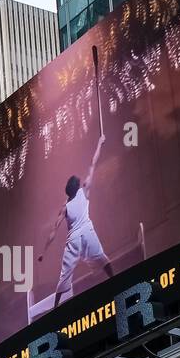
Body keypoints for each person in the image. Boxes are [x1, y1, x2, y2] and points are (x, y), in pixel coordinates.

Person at [30, 133, 114, 323]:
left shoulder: (65, 207)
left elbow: (54, 231)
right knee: (102, 259)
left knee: (64, 276)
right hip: (86, 233)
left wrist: (44, 252)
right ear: (77, 186)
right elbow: (93, 164)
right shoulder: (84, 191)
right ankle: (114, 281)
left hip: (74, 239)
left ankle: (56, 308)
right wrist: (100, 142)